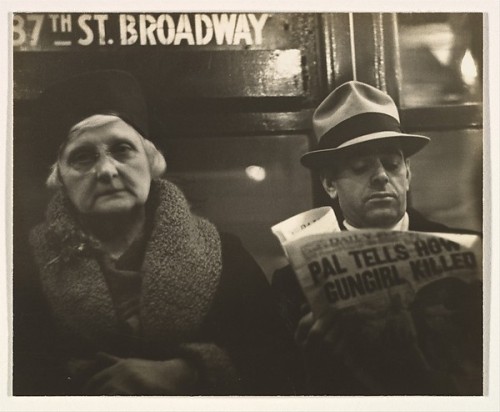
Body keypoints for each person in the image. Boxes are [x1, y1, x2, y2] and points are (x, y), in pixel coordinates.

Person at [13, 69, 301, 395]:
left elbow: (280, 368)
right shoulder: (21, 269)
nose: (106, 170)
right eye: (82, 157)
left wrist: (189, 373)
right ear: (60, 178)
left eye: (122, 150)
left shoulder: (226, 254)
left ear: (151, 163)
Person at [272, 81, 483, 395]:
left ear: (408, 174)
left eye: (392, 164)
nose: (382, 176)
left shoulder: (470, 250)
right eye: (360, 166)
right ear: (330, 184)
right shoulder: (293, 284)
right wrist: (314, 362)